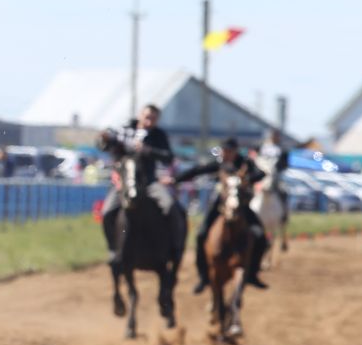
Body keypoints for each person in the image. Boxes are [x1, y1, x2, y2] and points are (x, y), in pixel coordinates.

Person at [176, 137, 269, 293]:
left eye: (230, 151)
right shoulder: (219, 164)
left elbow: (261, 174)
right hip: (220, 206)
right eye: (225, 151)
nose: (227, 154)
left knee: (260, 236)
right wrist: (175, 179)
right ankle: (204, 277)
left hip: (241, 206)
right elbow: (196, 171)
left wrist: (246, 179)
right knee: (201, 235)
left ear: (235, 151)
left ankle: (252, 274)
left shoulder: (245, 163)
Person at [98, 103, 181, 251]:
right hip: (124, 183)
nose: (149, 121)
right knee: (106, 213)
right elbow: (106, 144)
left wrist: (147, 150)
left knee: (169, 206)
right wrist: (103, 139)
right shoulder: (125, 129)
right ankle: (113, 249)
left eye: (153, 119)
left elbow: (168, 157)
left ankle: (174, 247)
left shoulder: (158, 135)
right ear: (140, 115)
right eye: (147, 117)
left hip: (149, 182)